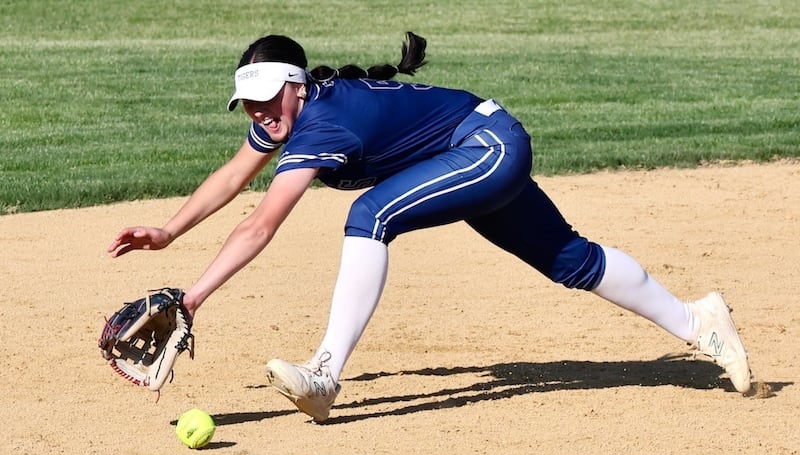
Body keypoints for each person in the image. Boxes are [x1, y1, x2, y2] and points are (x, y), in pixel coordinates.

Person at [108, 32, 752, 422]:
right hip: (471, 151)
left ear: (297, 88)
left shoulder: (323, 122)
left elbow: (261, 223)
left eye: (267, 96)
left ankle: (326, 374)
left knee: (370, 213)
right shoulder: (290, 116)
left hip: (489, 146)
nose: (257, 111)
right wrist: (168, 231)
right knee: (570, 261)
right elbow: (233, 174)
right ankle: (699, 321)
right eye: (247, 100)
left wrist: (191, 297)